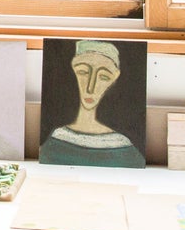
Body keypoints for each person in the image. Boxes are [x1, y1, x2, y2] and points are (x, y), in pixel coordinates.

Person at [39, 39, 145, 167]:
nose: (91, 87)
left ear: (114, 79)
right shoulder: (54, 143)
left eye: (104, 77)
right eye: (83, 72)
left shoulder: (124, 149)